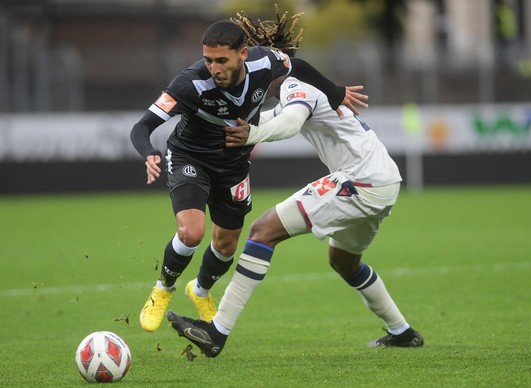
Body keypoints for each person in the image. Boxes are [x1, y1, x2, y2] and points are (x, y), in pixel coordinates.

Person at [166, 11, 424, 357]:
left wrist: (252, 134)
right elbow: (269, 117)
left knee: (262, 231)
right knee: (344, 261)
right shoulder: (296, 88)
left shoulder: (293, 84)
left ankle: (217, 332)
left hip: (360, 181)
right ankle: (403, 332)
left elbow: (289, 121)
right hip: (383, 180)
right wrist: (236, 133)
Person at [130, 16, 368, 333]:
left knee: (226, 246)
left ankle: (199, 290)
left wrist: (333, 91)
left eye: (222, 60)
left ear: (243, 54)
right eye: (208, 60)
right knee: (191, 232)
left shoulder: (265, 63)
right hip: (191, 157)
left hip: (234, 165)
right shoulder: (189, 84)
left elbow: (299, 66)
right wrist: (149, 152)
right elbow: (142, 126)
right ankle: (163, 288)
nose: (214, 68)